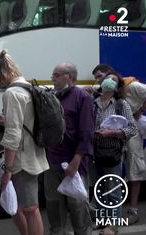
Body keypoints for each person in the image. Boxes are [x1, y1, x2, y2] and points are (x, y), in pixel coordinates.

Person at [0, 50, 49, 235]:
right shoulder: (27, 87)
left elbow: (13, 135)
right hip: (33, 154)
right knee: (20, 207)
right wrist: (6, 120)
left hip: (22, 161)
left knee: (30, 208)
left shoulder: (12, 93)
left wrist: (7, 169)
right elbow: (27, 122)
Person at [91, 64, 146, 225]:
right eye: (99, 78)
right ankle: (102, 216)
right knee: (103, 182)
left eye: (102, 77)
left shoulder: (128, 92)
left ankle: (127, 214)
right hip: (102, 148)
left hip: (123, 142)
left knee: (129, 173)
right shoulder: (96, 100)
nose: (101, 81)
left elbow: (131, 128)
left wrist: (141, 109)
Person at [45, 62, 94, 235]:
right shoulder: (52, 97)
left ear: (70, 77)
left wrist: (76, 160)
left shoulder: (83, 98)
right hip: (52, 162)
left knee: (77, 206)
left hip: (74, 162)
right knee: (53, 204)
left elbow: (87, 132)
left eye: (56, 75)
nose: (53, 79)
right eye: (53, 75)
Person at [93, 72, 137, 235]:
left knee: (113, 189)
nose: (109, 82)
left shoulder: (120, 104)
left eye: (114, 80)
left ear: (117, 86)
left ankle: (113, 224)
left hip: (113, 153)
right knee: (99, 189)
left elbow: (132, 129)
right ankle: (102, 221)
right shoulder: (93, 102)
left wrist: (111, 133)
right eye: (107, 79)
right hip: (96, 152)